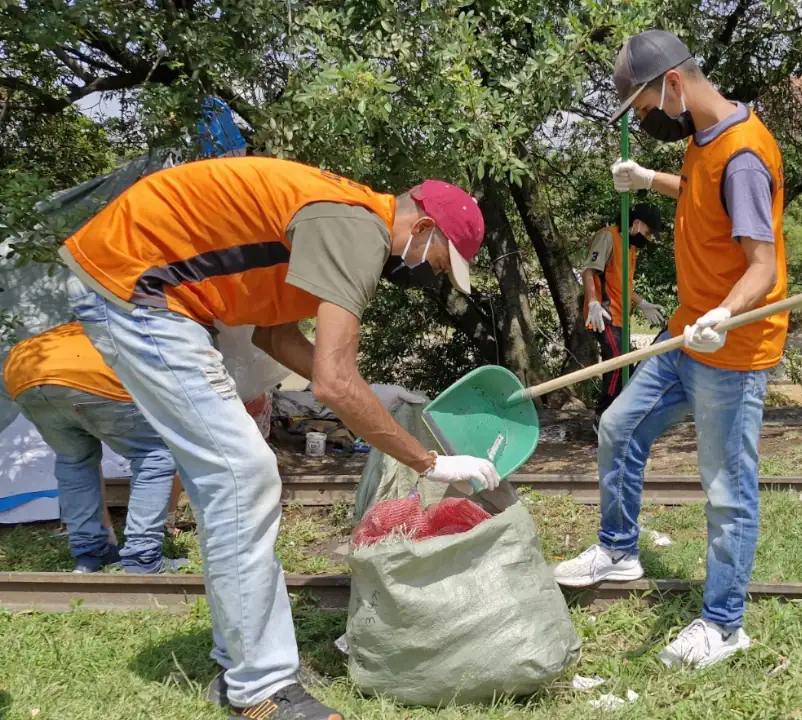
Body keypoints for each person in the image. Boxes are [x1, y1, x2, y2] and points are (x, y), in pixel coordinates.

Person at [60, 156, 501, 720]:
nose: (432, 276)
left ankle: (240, 668)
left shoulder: (340, 225)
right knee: (244, 476)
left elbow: (277, 335)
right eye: (441, 263)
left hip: (145, 286)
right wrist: (427, 461)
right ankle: (261, 690)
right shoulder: (356, 227)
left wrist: (362, 396)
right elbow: (333, 381)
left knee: (234, 481)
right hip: (138, 284)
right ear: (422, 229)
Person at [553, 30, 789, 670]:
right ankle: (619, 549)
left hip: (730, 344)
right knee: (618, 425)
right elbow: (700, 197)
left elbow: (762, 266)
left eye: (643, 107)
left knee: (725, 488)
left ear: (674, 86)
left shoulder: (742, 155)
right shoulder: (703, 139)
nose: (644, 119)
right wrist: (647, 177)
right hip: (686, 331)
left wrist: (723, 314)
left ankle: (723, 624)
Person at [3, 322, 185, 574]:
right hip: (87, 373)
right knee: (154, 455)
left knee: (73, 459)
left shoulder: (84, 326)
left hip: (24, 374)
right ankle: (143, 558)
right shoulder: (148, 328)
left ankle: (90, 554)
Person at [581, 203, 667, 421]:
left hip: (621, 317)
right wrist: (593, 303)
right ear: (636, 223)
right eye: (648, 232)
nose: (648, 238)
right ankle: (604, 415)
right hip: (604, 315)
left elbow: (622, 284)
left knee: (627, 365)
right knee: (619, 363)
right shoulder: (608, 237)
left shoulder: (630, 247)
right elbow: (589, 271)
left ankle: (618, 414)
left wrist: (642, 303)